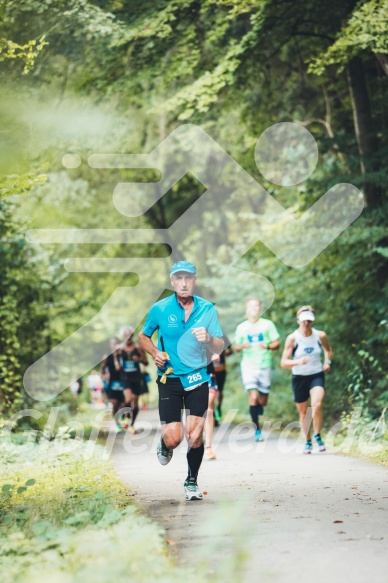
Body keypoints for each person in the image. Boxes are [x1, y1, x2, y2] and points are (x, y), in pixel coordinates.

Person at [139, 260, 224, 501]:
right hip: (170, 379)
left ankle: (191, 481)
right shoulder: (160, 309)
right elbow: (143, 336)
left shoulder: (207, 309)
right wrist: (155, 353)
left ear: (195, 281)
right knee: (174, 438)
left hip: (198, 377)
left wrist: (207, 337)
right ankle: (165, 444)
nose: (184, 283)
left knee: (195, 435)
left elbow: (219, 344)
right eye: (179, 278)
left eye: (188, 278)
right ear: (172, 281)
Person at [280, 305, 332, 454]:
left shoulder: (320, 335)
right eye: (303, 320)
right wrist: (298, 361)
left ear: (312, 321)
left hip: (316, 374)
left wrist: (327, 362)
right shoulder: (293, 338)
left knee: (317, 404)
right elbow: (283, 362)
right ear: (298, 321)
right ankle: (308, 441)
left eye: (309, 320)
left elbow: (328, 350)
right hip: (299, 377)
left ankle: (317, 435)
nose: (306, 323)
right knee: (303, 413)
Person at [234, 297, 280, 442]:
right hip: (248, 366)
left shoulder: (267, 325)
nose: (254, 308)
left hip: (264, 364)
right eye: (251, 306)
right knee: (253, 397)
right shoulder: (241, 327)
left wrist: (267, 346)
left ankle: (259, 406)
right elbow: (236, 347)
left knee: (263, 400)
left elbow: (277, 343)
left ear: (259, 308)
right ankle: (257, 430)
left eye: (256, 306)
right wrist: (243, 346)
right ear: (246, 309)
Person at [120, 326, 148, 433]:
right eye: (125, 335)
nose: (127, 337)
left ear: (132, 335)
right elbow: (115, 362)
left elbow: (146, 362)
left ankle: (132, 424)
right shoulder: (120, 348)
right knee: (127, 400)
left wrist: (139, 359)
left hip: (136, 377)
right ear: (123, 336)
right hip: (125, 377)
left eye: (129, 334)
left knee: (135, 404)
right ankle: (127, 418)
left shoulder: (138, 347)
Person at [100, 337, 125, 432]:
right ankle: (117, 424)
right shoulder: (107, 357)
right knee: (114, 404)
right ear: (110, 345)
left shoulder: (123, 355)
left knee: (123, 405)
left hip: (123, 383)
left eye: (116, 343)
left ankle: (123, 420)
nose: (114, 345)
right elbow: (102, 370)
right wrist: (104, 376)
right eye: (112, 344)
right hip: (112, 384)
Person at [212, 334, 233, 423]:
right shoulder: (202, 335)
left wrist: (223, 353)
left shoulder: (223, 336)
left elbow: (231, 351)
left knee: (219, 391)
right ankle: (212, 415)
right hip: (209, 370)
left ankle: (218, 408)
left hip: (221, 369)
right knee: (211, 393)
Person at [203, 356, 219, 460]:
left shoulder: (207, 338)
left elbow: (217, 356)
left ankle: (208, 448)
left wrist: (216, 354)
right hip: (188, 377)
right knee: (197, 412)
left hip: (208, 375)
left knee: (208, 409)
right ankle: (198, 441)